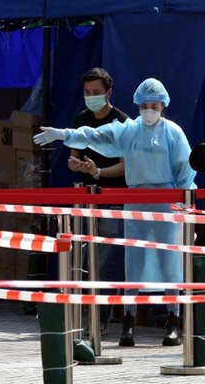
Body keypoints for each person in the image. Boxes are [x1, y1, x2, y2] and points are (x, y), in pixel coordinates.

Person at [33, 78, 195, 347]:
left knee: (170, 263)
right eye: (144, 105)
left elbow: (186, 169)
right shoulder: (129, 131)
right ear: (137, 105)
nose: (149, 110)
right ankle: (128, 324)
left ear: (163, 105)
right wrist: (62, 134)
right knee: (134, 263)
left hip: (167, 204)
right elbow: (95, 135)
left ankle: (173, 321)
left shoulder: (174, 133)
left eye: (154, 105)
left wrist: (183, 201)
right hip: (135, 202)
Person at [68, 68, 129, 334]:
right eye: (87, 93)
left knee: (106, 258)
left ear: (108, 93)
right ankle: (90, 311)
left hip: (114, 199)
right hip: (87, 199)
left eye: (96, 93)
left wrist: (99, 172)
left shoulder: (123, 123)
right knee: (84, 256)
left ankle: (101, 316)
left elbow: (126, 166)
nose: (91, 97)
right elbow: (74, 157)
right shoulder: (81, 119)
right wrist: (77, 165)